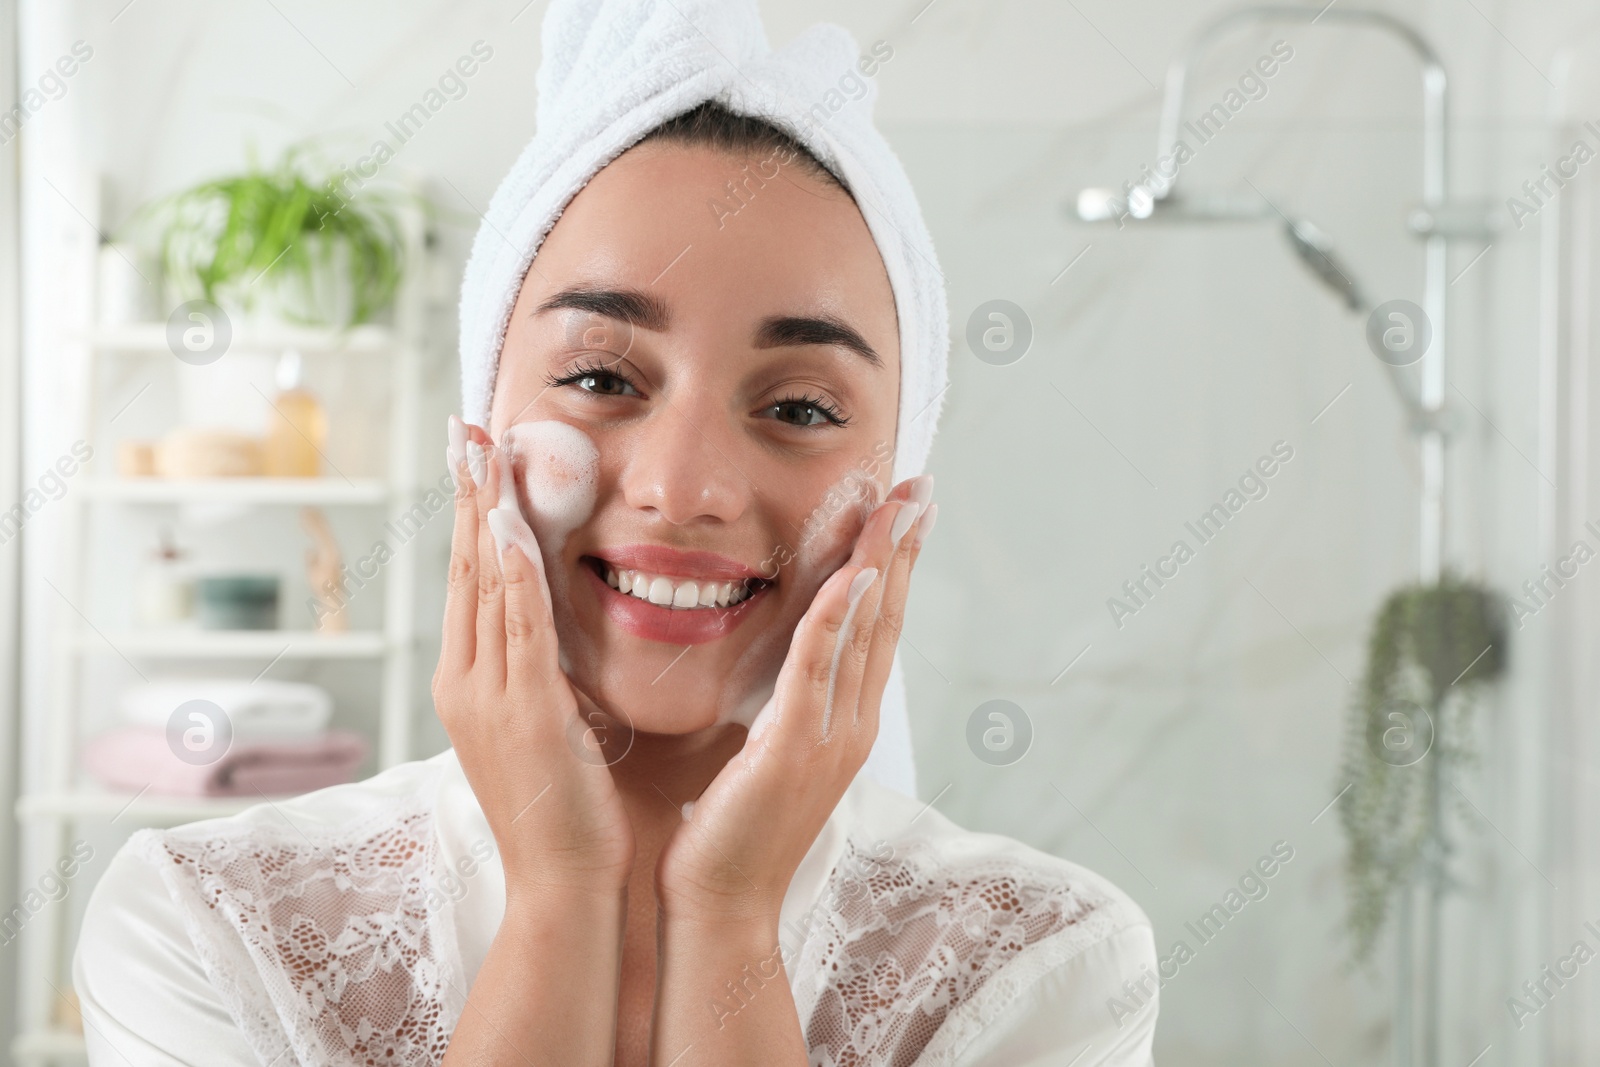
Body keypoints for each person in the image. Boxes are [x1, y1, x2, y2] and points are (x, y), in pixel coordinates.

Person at [73, 2, 1159, 1064]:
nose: (685, 487)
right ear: (476, 446)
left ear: (902, 493)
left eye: (799, 407)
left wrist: (728, 914)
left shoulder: (1046, 964)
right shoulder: (206, 926)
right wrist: (558, 892)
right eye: (598, 376)